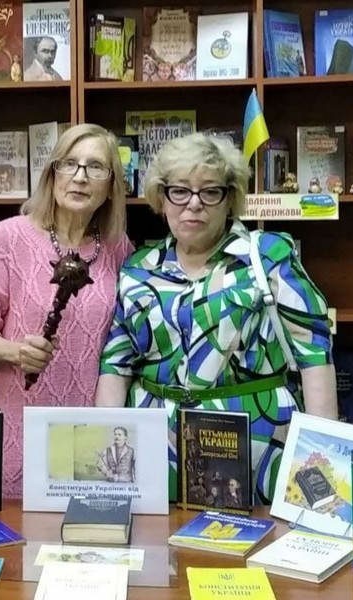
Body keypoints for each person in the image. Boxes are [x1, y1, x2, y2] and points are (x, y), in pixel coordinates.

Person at [96, 133, 337, 504]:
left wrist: (322, 453)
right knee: (161, 540)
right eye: (180, 191)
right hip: (157, 447)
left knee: (258, 539)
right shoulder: (138, 268)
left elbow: (314, 352)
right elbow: (116, 364)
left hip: (257, 440)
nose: (194, 204)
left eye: (210, 192)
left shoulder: (268, 255)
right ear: (161, 197)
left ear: (229, 199)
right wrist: (105, 451)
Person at [0, 123, 132, 497]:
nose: (80, 177)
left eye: (95, 167)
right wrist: (17, 352)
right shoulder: (10, 237)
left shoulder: (119, 248)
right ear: (52, 175)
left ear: (111, 186)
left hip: (91, 432)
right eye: (69, 164)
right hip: (22, 424)